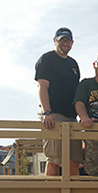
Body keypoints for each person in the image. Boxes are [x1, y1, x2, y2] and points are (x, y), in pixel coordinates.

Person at [35, 27, 83, 176]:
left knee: (74, 158)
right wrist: (47, 112)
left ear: (72, 43)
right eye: (62, 41)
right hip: (53, 115)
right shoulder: (47, 59)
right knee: (54, 159)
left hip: (71, 118)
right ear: (54, 41)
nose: (65, 44)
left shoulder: (73, 64)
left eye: (68, 41)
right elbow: (42, 86)